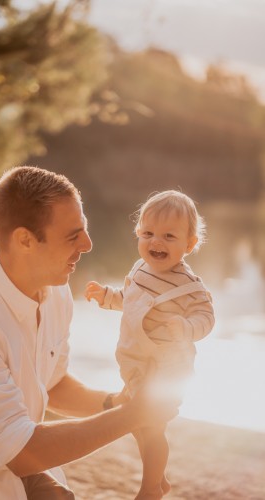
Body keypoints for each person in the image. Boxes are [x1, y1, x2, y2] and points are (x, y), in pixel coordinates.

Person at [0, 167, 176, 500]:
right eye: (73, 235)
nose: (88, 245)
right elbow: (24, 453)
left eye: (85, 231)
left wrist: (115, 402)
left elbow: (53, 383)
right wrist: (131, 415)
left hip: (23, 469)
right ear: (25, 240)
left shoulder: (54, 291)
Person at [85, 190, 215, 500]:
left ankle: (150, 488)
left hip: (168, 367)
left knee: (151, 424)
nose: (156, 242)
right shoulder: (139, 270)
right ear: (138, 235)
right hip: (137, 359)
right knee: (137, 422)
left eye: (169, 236)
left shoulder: (188, 285)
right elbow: (130, 301)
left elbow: (207, 317)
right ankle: (158, 478)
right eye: (148, 234)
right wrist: (107, 297)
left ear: (189, 244)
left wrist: (187, 327)